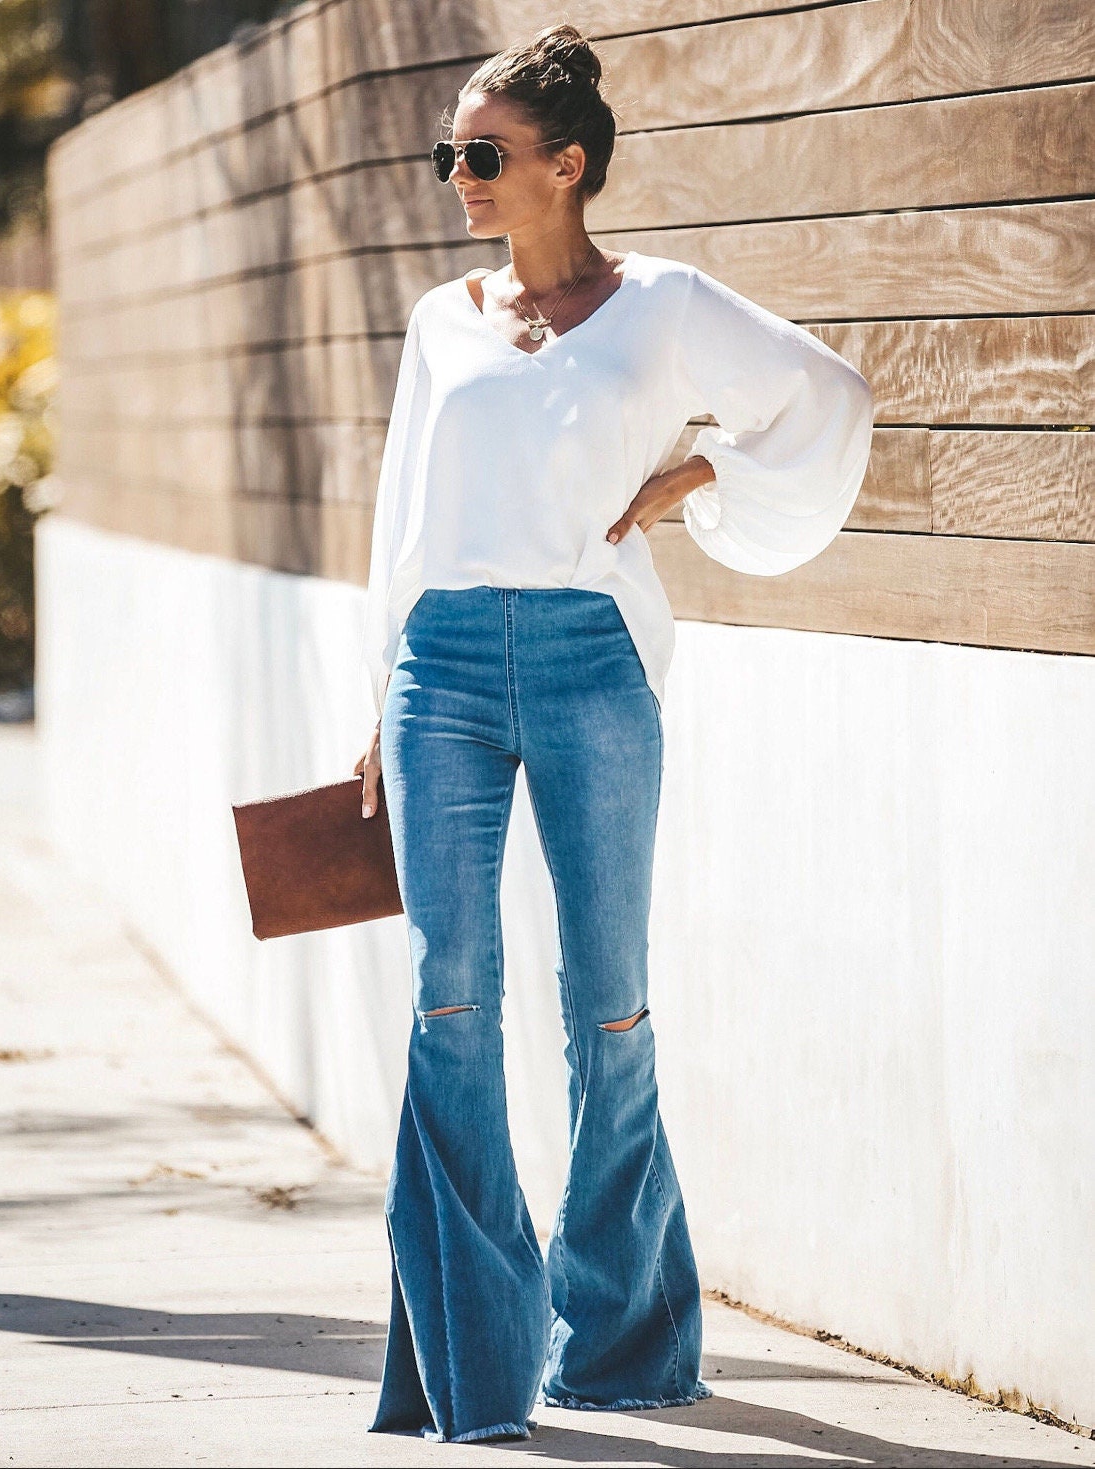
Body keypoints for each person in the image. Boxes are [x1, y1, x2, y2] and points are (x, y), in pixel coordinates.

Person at [351, 22, 875, 1446]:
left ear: (568, 166)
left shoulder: (665, 306)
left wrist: (689, 484)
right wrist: (370, 705)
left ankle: (629, 1339)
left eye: (486, 154)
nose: (459, 174)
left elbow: (829, 400)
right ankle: (473, 1363)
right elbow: (401, 524)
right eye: (452, 153)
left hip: (594, 665)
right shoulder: (439, 323)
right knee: (449, 999)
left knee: (610, 1004)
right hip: (443, 671)